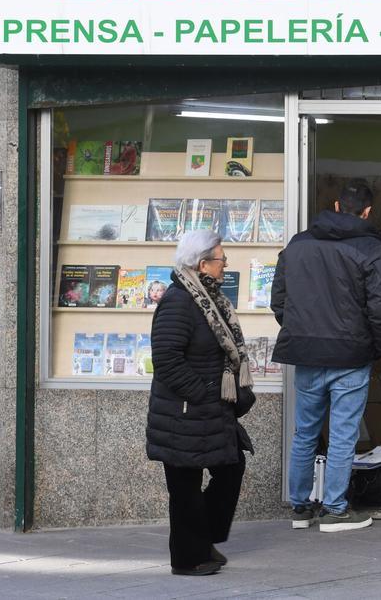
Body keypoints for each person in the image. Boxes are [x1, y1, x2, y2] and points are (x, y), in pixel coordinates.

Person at [271, 179, 381, 533]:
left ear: (337, 206)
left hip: (307, 353)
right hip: (351, 354)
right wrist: (377, 348)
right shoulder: (372, 249)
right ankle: (335, 509)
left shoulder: (298, 244)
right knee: (343, 435)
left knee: (305, 433)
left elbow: (278, 300)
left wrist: (301, 331)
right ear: (367, 212)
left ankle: (300, 507)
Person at [147, 229, 255, 576]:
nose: (226, 265)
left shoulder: (209, 299)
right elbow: (167, 360)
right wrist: (202, 394)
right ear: (202, 264)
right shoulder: (179, 301)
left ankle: (201, 539)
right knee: (185, 487)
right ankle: (188, 558)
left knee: (231, 467)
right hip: (184, 412)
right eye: (221, 259)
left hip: (210, 409)